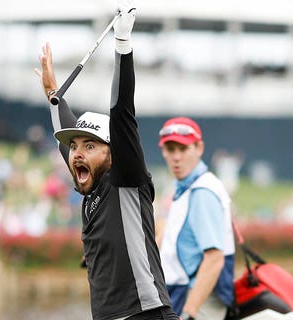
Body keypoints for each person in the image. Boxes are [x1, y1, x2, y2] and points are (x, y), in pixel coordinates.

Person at [36, 1, 177, 319]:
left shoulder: (124, 178)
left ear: (113, 153)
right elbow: (64, 126)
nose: (77, 153)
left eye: (90, 145)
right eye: (74, 148)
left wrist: (123, 46)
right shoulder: (89, 182)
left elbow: (122, 112)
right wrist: (51, 91)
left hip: (146, 314)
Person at [157, 117, 236, 320]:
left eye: (183, 149)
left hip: (200, 298)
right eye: (170, 149)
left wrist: (189, 313)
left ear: (199, 148)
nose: (176, 157)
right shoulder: (187, 186)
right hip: (183, 291)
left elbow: (214, 259)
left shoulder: (202, 192)